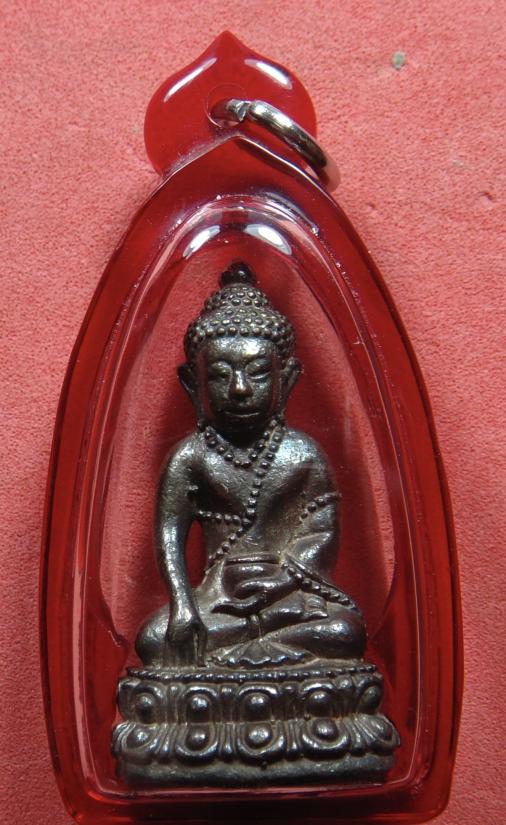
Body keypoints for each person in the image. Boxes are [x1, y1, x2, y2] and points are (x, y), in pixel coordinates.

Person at [136, 261, 366, 668]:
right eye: (220, 376)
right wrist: (184, 606)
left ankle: (250, 639)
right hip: (217, 598)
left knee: (344, 631)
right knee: (154, 640)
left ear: (287, 379)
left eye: (258, 373)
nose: (240, 390)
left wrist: (283, 580)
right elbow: (169, 538)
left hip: (288, 595)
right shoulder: (191, 457)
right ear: (193, 384)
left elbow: (321, 531)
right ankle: (257, 639)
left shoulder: (302, 454)